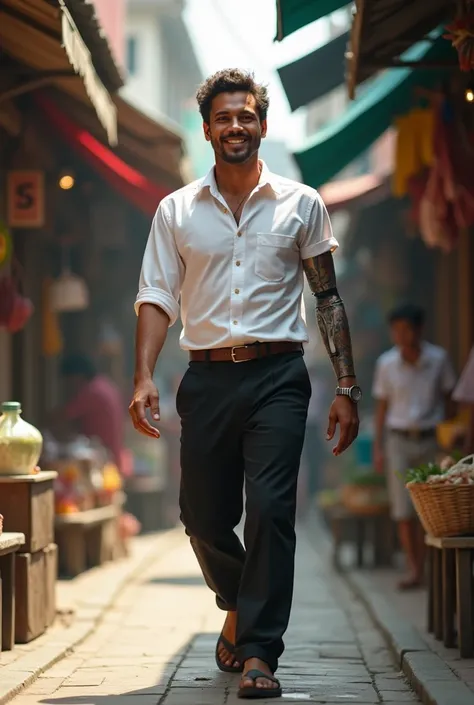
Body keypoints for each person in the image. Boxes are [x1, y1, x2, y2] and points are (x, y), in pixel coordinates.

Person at [129, 69, 360, 700]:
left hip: (279, 377)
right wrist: (144, 375)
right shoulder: (175, 210)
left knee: (271, 512)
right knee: (200, 515)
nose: (237, 126)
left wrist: (347, 386)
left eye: (247, 116)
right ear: (207, 129)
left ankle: (259, 651)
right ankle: (237, 602)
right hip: (204, 379)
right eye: (225, 118)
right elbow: (155, 295)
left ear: (262, 124)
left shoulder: (301, 203)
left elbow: (328, 297)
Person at [373, 304, 455, 590]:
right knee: (403, 510)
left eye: (406, 328)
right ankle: (415, 569)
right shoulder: (386, 363)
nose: (401, 335)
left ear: (420, 329)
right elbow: (382, 407)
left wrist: (451, 440)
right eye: (396, 330)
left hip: (432, 440)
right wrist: (378, 448)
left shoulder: (439, 359)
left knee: (433, 509)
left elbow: (449, 401)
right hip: (398, 441)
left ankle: (434, 568)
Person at [58, 354, 126, 475]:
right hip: (112, 457)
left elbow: (62, 416)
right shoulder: (104, 384)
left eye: (69, 380)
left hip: (104, 463)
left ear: (78, 376)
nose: (69, 385)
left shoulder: (92, 391)